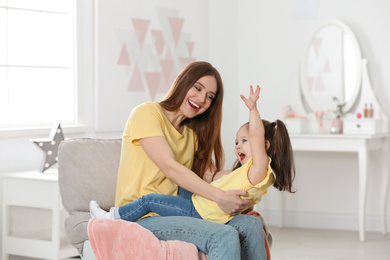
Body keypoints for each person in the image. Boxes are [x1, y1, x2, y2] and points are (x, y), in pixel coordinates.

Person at [92, 61, 268, 260]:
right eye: (198, 88)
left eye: (210, 97)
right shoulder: (146, 113)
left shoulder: (191, 136)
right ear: (183, 83)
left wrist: (251, 167)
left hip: (178, 212)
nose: (202, 99)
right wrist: (219, 197)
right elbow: (170, 168)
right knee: (224, 235)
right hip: (142, 215)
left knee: (251, 225)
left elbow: (211, 175)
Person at [90, 85, 296, 225]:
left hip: (201, 209)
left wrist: (253, 109)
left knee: (148, 201)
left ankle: (112, 218)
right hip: (204, 204)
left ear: (263, 145)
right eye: (236, 142)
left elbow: (256, 133)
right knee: (180, 186)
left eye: (244, 141)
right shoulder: (250, 174)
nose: (237, 147)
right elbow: (214, 177)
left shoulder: (259, 169)